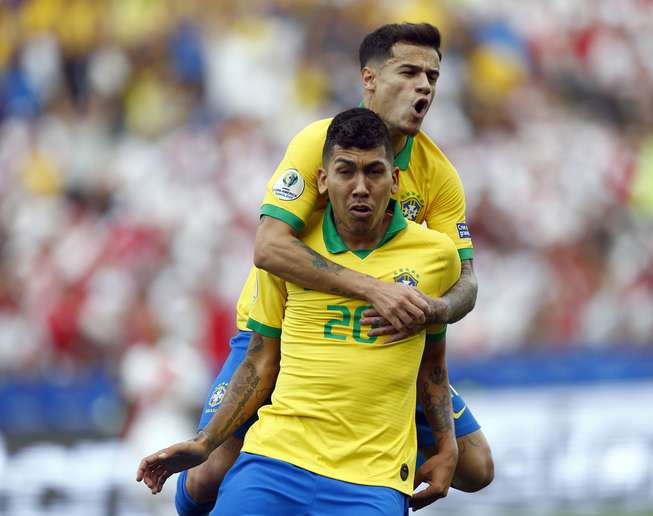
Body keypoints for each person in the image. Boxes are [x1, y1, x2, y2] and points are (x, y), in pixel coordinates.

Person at [177, 22, 494, 514]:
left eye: (432, 76)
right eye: (409, 72)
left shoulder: (439, 174)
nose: (424, 86)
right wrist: (372, 289)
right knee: (207, 475)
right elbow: (269, 248)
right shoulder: (316, 144)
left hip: (379, 337)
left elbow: (466, 282)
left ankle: (365, 456)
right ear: (369, 79)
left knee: (475, 466)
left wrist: (435, 309)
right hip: (289, 331)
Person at [137, 108, 461, 514]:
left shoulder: (435, 256)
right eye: (346, 172)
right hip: (276, 462)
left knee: (479, 467)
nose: (360, 187)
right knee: (208, 480)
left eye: (374, 172)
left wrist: (448, 447)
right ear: (323, 180)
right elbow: (259, 360)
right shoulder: (290, 256)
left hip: (369, 481)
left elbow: (433, 364)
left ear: (395, 181)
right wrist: (204, 443)